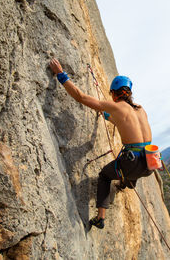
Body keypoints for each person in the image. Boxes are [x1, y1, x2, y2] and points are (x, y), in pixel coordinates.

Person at [50, 58, 153, 229]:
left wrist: (61, 75)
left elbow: (80, 97)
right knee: (132, 168)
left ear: (114, 93)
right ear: (129, 92)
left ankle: (100, 217)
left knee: (105, 175)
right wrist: (106, 116)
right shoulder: (140, 109)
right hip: (150, 163)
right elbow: (126, 123)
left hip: (131, 163)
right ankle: (128, 182)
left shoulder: (117, 107)